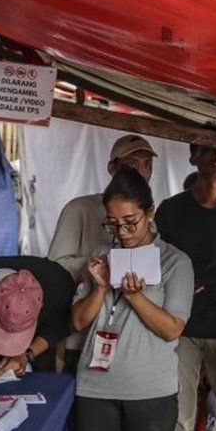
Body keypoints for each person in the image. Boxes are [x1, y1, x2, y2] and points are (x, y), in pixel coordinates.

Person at [71, 169, 194, 431]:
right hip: (94, 388)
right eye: (112, 223)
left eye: (130, 222)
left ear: (149, 213)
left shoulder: (175, 262)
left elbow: (172, 329)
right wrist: (99, 287)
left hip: (149, 391)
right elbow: (76, 321)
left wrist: (135, 296)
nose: (122, 231)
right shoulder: (101, 255)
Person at [157, 141, 216, 431]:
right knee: (178, 421)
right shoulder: (171, 210)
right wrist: (178, 286)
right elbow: (156, 263)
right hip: (182, 330)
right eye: (208, 149)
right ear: (193, 157)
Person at [48, 134, 157, 372]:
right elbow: (54, 267)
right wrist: (104, 265)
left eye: (147, 164)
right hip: (82, 335)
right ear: (111, 167)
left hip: (130, 340)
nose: (140, 170)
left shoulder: (148, 221)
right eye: (131, 163)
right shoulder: (81, 208)